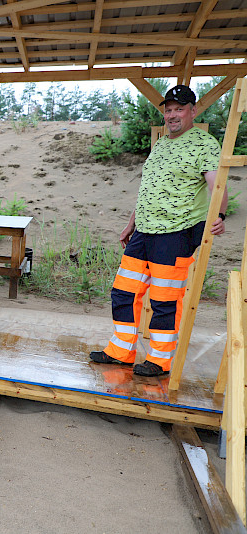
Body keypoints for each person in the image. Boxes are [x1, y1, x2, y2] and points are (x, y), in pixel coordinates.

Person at [89, 84, 227, 377]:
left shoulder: (205, 144)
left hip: (178, 232)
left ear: (193, 110)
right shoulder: (161, 144)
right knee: (123, 291)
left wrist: (221, 214)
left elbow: (219, 185)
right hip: (144, 231)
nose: (172, 115)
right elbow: (149, 189)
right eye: (168, 110)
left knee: (164, 299)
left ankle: (160, 360)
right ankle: (121, 352)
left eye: (179, 109)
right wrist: (131, 223)